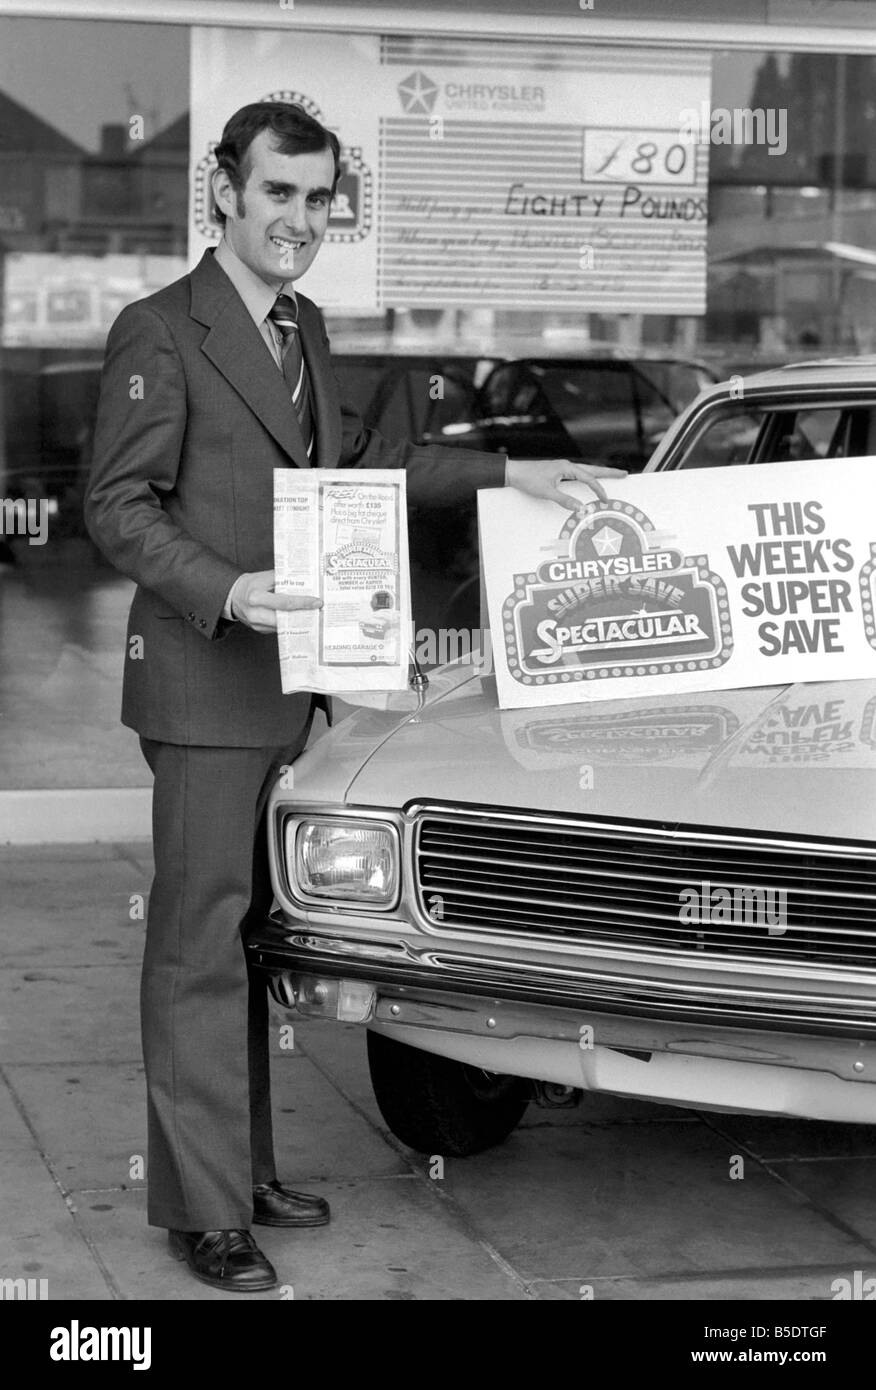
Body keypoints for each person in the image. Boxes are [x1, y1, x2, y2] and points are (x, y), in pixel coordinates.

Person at [84, 100, 624, 1293]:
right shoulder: (160, 331)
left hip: (291, 692)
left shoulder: (304, 329)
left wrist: (516, 471)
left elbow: (364, 476)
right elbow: (117, 509)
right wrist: (230, 591)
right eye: (278, 193)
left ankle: (241, 1167)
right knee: (194, 949)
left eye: (319, 199)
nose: (299, 220)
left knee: (250, 940)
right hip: (204, 685)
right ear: (222, 192)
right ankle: (202, 1208)